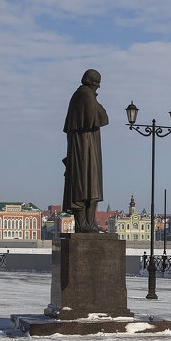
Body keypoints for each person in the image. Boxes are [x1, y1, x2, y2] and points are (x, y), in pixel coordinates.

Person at [63, 69, 108, 233]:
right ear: (93, 82)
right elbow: (101, 117)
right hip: (86, 148)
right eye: (98, 83)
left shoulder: (79, 95)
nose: (99, 87)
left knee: (85, 185)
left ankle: (87, 223)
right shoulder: (86, 95)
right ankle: (85, 224)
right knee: (88, 185)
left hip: (83, 147)